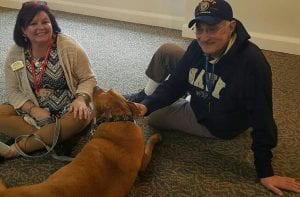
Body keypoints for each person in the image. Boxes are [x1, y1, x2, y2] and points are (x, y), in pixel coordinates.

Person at [125, 0, 300, 195]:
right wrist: (147, 104)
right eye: (199, 29)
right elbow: (175, 83)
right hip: (208, 95)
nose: (204, 37)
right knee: (168, 52)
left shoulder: (252, 64)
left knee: (155, 117)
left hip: (216, 122)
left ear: (231, 26)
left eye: (213, 29)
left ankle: (181, 97)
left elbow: (263, 117)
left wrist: (265, 171)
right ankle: (148, 95)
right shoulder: (196, 47)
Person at [0, 1, 97, 159]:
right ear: (23, 30)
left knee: (80, 116)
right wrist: (33, 109)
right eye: (33, 23)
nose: (41, 27)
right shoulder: (15, 53)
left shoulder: (69, 47)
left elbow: (88, 78)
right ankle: (57, 137)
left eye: (45, 22)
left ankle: (15, 150)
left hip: (68, 107)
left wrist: (81, 99)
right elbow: (12, 90)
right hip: (34, 107)